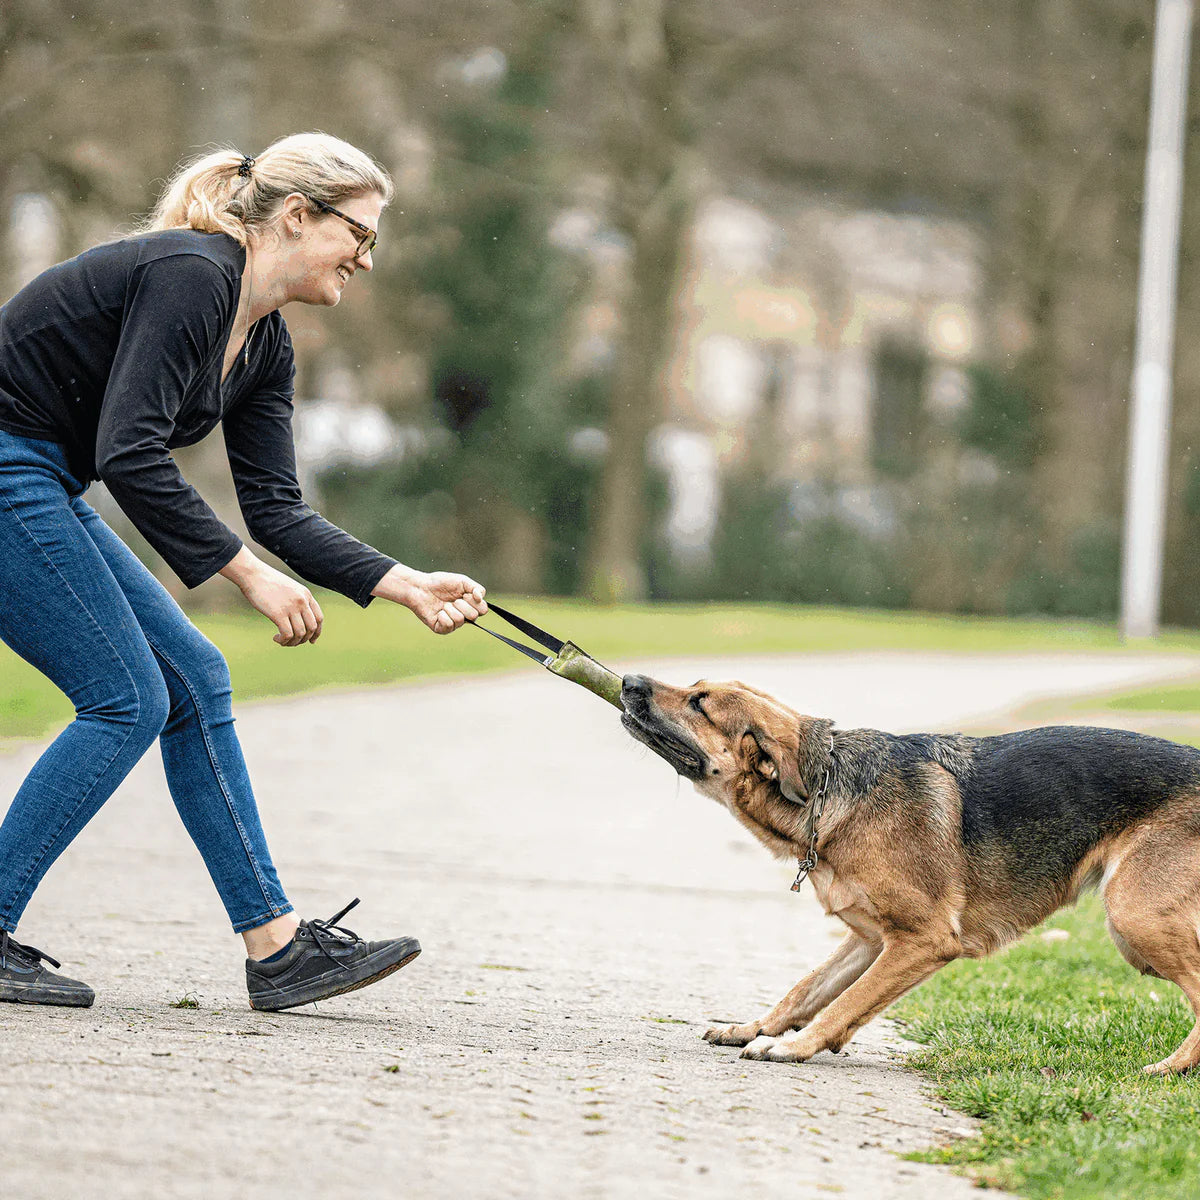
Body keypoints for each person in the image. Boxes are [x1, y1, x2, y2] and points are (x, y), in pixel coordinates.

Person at [0, 132, 487, 1012]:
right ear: (296, 216)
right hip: (8, 466)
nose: (366, 261)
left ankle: (278, 948)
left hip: (39, 476)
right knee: (126, 697)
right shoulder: (192, 273)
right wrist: (247, 578)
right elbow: (130, 451)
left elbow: (278, 510)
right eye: (361, 236)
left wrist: (402, 583)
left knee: (194, 678)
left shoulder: (263, 346)